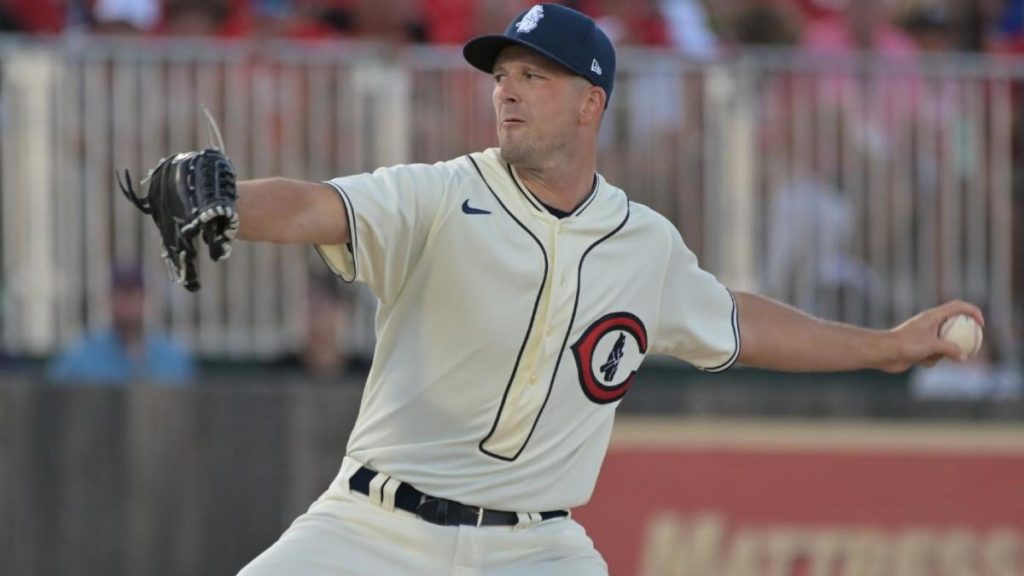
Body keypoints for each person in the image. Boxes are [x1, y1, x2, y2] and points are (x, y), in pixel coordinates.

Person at [139, 4, 982, 574]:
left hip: (535, 551)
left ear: (590, 103)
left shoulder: (642, 242)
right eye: (502, 74)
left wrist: (888, 346)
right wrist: (232, 202)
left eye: (533, 77)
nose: (507, 89)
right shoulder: (440, 192)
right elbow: (320, 206)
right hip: (373, 529)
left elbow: (738, 325)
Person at [48, 266, 196, 386]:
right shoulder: (79, 357)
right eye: (121, 295)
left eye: (135, 295)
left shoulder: (173, 358)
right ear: (108, 300)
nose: (128, 305)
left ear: (149, 300)